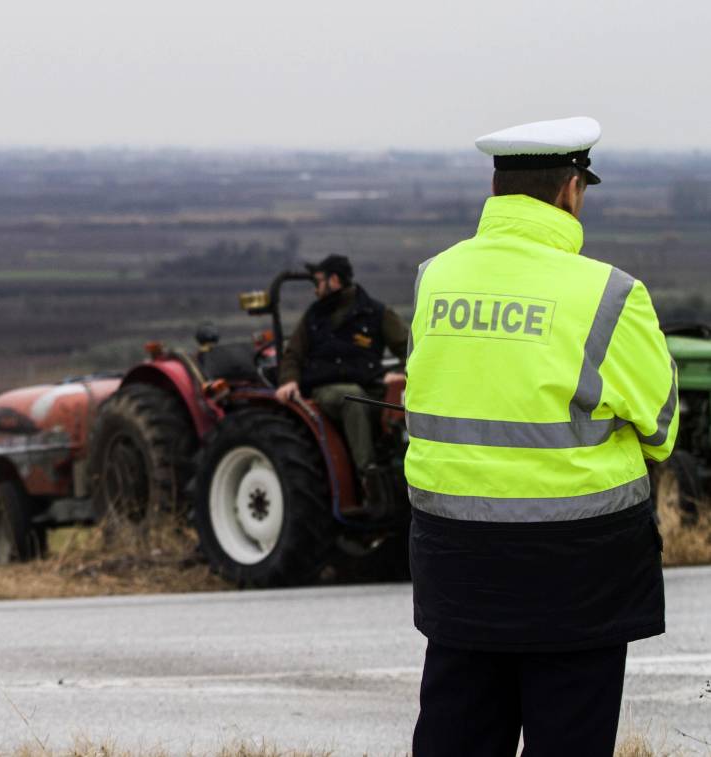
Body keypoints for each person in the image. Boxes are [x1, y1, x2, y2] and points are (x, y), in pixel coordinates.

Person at [404, 117, 676, 756]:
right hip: (576, 577)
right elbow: (661, 429)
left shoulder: (434, 279)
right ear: (570, 192)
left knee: (456, 739)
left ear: (497, 189)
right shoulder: (611, 294)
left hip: (456, 564)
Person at [275, 254, 408, 474]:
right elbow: (293, 354)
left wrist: (399, 373)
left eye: (318, 282)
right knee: (352, 397)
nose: (315, 290)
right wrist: (289, 381)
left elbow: (410, 350)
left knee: (399, 402)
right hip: (325, 388)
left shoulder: (376, 313)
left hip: (371, 384)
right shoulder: (313, 317)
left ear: (334, 280)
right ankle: (369, 474)